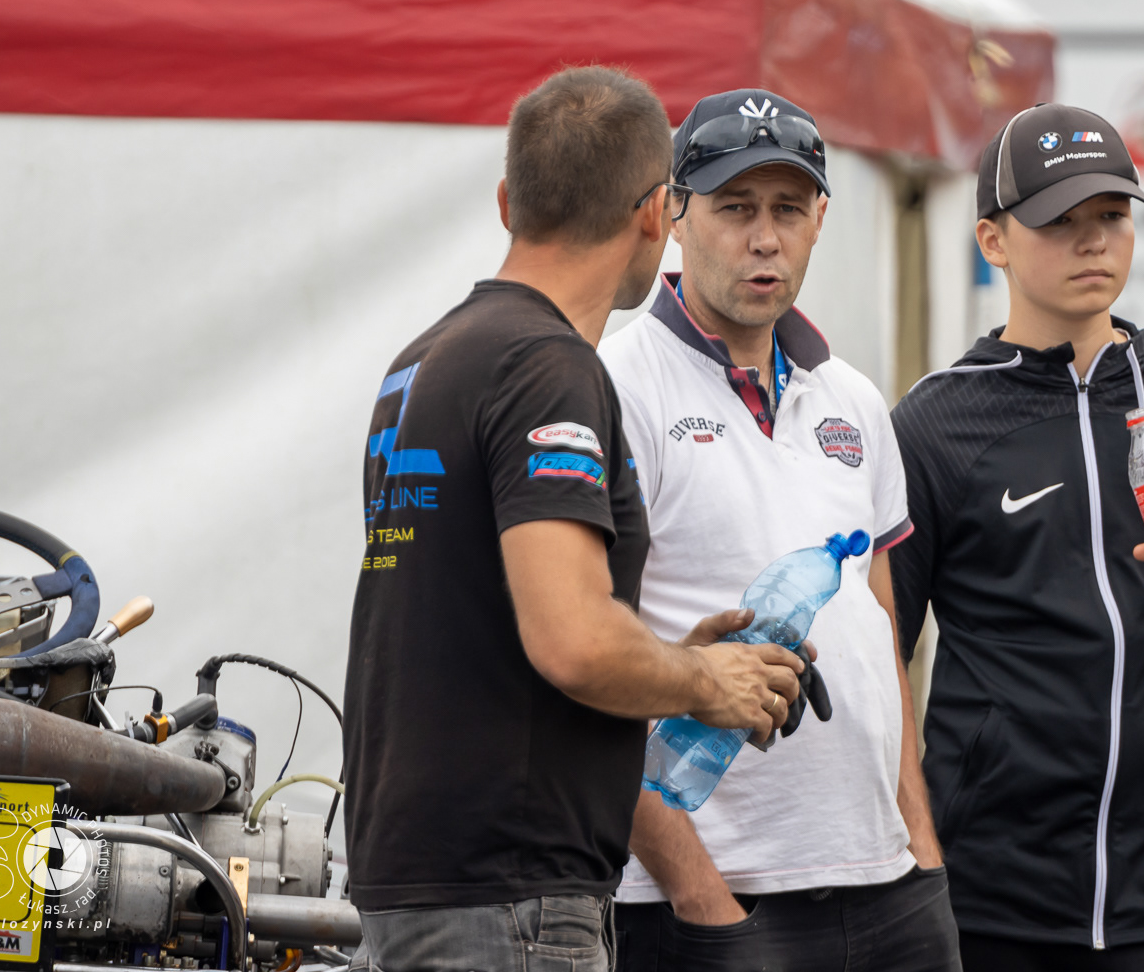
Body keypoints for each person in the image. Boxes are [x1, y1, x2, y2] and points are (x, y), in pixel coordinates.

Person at [342, 67, 809, 972]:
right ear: (658, 214)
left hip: (417, 876)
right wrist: (705, 681)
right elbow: (572, 641)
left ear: (507, 201)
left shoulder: (425, 359)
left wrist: (669, 664)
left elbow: (479, 622)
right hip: (510, 896)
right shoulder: (549, 367)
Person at [890, 103, 1144, 972]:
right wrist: (921, 864)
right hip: (992, 906)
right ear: (994, 241)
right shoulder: (932, 424)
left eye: (1111, 214)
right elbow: (879, 662)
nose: (1093, 241)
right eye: (1058, 220)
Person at [600, 89, 958, 972]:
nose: (765, 238)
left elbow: (882, 639)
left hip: (887, 885)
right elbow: (589, 661)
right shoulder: (616, 385)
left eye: (788, 209)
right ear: (673, 213)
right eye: (736, 208)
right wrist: (702, 902)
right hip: (711, 898)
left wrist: (921, 849)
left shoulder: (854, 399)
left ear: (820, 219)